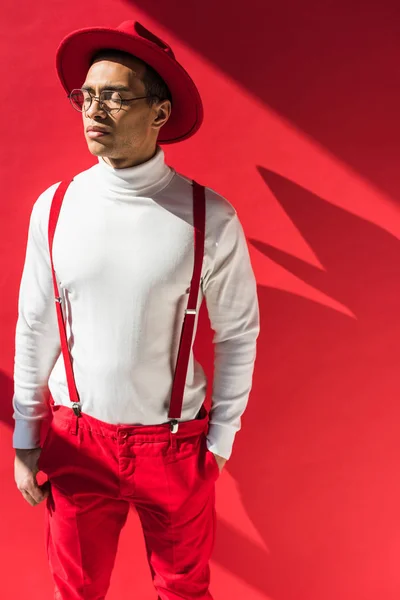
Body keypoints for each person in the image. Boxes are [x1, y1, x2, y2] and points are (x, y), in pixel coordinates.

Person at [12, 20, 260, 600]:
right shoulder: (55, 208)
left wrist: (220, 439)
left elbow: (239, 332)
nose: (94, 109)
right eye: (87, 95)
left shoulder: (209, 217)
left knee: (183, 591)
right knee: (75, 591)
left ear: (160, 113)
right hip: (77, 441)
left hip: (175, 446)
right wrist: (28, 435)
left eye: (116, 96)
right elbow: (35, 324)